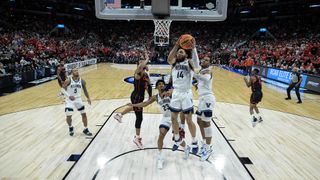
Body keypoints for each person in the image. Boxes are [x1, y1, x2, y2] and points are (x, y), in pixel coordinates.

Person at [128, 79, 189, 169]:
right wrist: (134, 105)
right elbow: (145, 104)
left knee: (177, 139)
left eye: (162, 84)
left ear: (164, 86)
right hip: (165, 118)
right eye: (159, 84)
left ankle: (186, 147)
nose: (161, 85)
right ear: (156, 87)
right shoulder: (155, 97)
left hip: (175, 117)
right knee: (161, 133)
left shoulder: (170, 93)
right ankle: (160, 157)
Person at [114, 51, 152, 149]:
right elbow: (141, 67)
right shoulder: (137, 73)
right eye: (141, 62)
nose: (142, 63)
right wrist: (147, 58)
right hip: (136, 97)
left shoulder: (145, 74)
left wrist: (150, 96)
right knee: (139, 117)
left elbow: (148, 86)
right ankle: (137, 138)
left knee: (134, 109)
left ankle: (119, 115)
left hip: (140, 96)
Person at [167, 37, 199, 154]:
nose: (179, 53)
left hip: (186, 93)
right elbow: (169, 58)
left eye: (181, 51)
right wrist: (176, 45)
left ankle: (195, 141)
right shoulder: (174, 62)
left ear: (186, 54)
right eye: (178, 52)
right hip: (176, 93)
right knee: (173, 118)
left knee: (188, 119)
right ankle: (177, 139)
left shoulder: (189, 62)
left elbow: (196, 64)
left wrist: (194, 48)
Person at [194, 57, 215, 161]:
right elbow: (200, 82)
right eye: (203, 60)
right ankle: (204, 141)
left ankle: (208, 148)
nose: (204, 61)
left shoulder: (208, 71)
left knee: (206, 123)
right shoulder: (202, 71)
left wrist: (193, 74)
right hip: (202, 99)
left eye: (207, 60)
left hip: (208, 98)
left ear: (209, 63)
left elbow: (206, 79)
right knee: (199, 120)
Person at [60, 69, 93, 136]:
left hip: (78, 99)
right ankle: (70, 127)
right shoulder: (68, 80)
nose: (77, 72)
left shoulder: (82, 81)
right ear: (72, 73)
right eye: (75, 71)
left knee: (84, 114)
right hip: (69, 100)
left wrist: (88, 98)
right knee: (69, 115)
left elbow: (85, 90)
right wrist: (69, 96)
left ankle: (86, 129)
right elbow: (62, 89)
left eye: (77, 70)